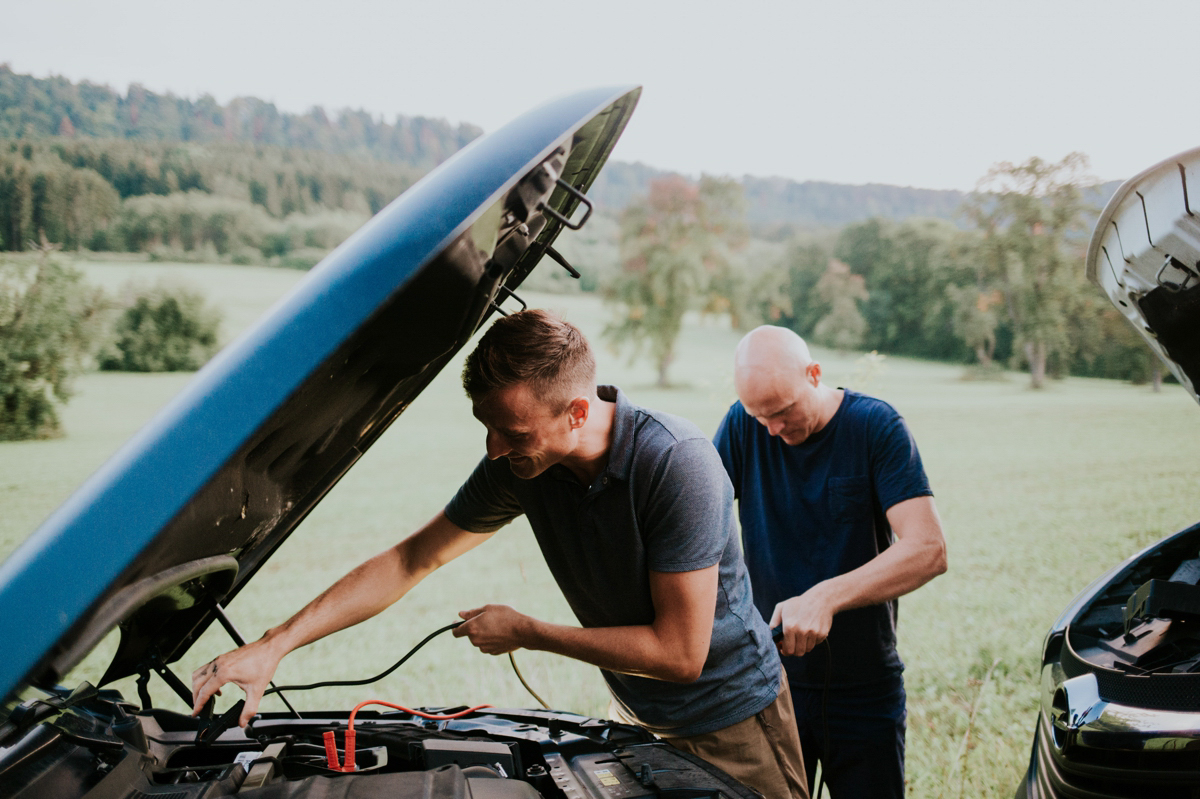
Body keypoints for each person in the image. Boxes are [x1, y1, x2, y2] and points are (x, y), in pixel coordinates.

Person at [192, 310, 809, 799]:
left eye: (513, 434)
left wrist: (528, 631)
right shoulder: (522, 465)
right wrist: (274, 645)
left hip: (733, 721)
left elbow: (680, 654)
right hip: (643, 716)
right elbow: (413, 559)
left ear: (576, 411)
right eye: (487, 429)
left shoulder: (676, 463)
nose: (493, 450)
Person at [713, 326, 947, 799]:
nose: (773, 430)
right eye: (761, 417)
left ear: (814, 374)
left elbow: (928, 549)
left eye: (782, 412)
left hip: (864, 687)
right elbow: (697, 522)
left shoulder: (875, 426)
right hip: (770, 685)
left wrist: (827, 596)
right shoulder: (742, 424)